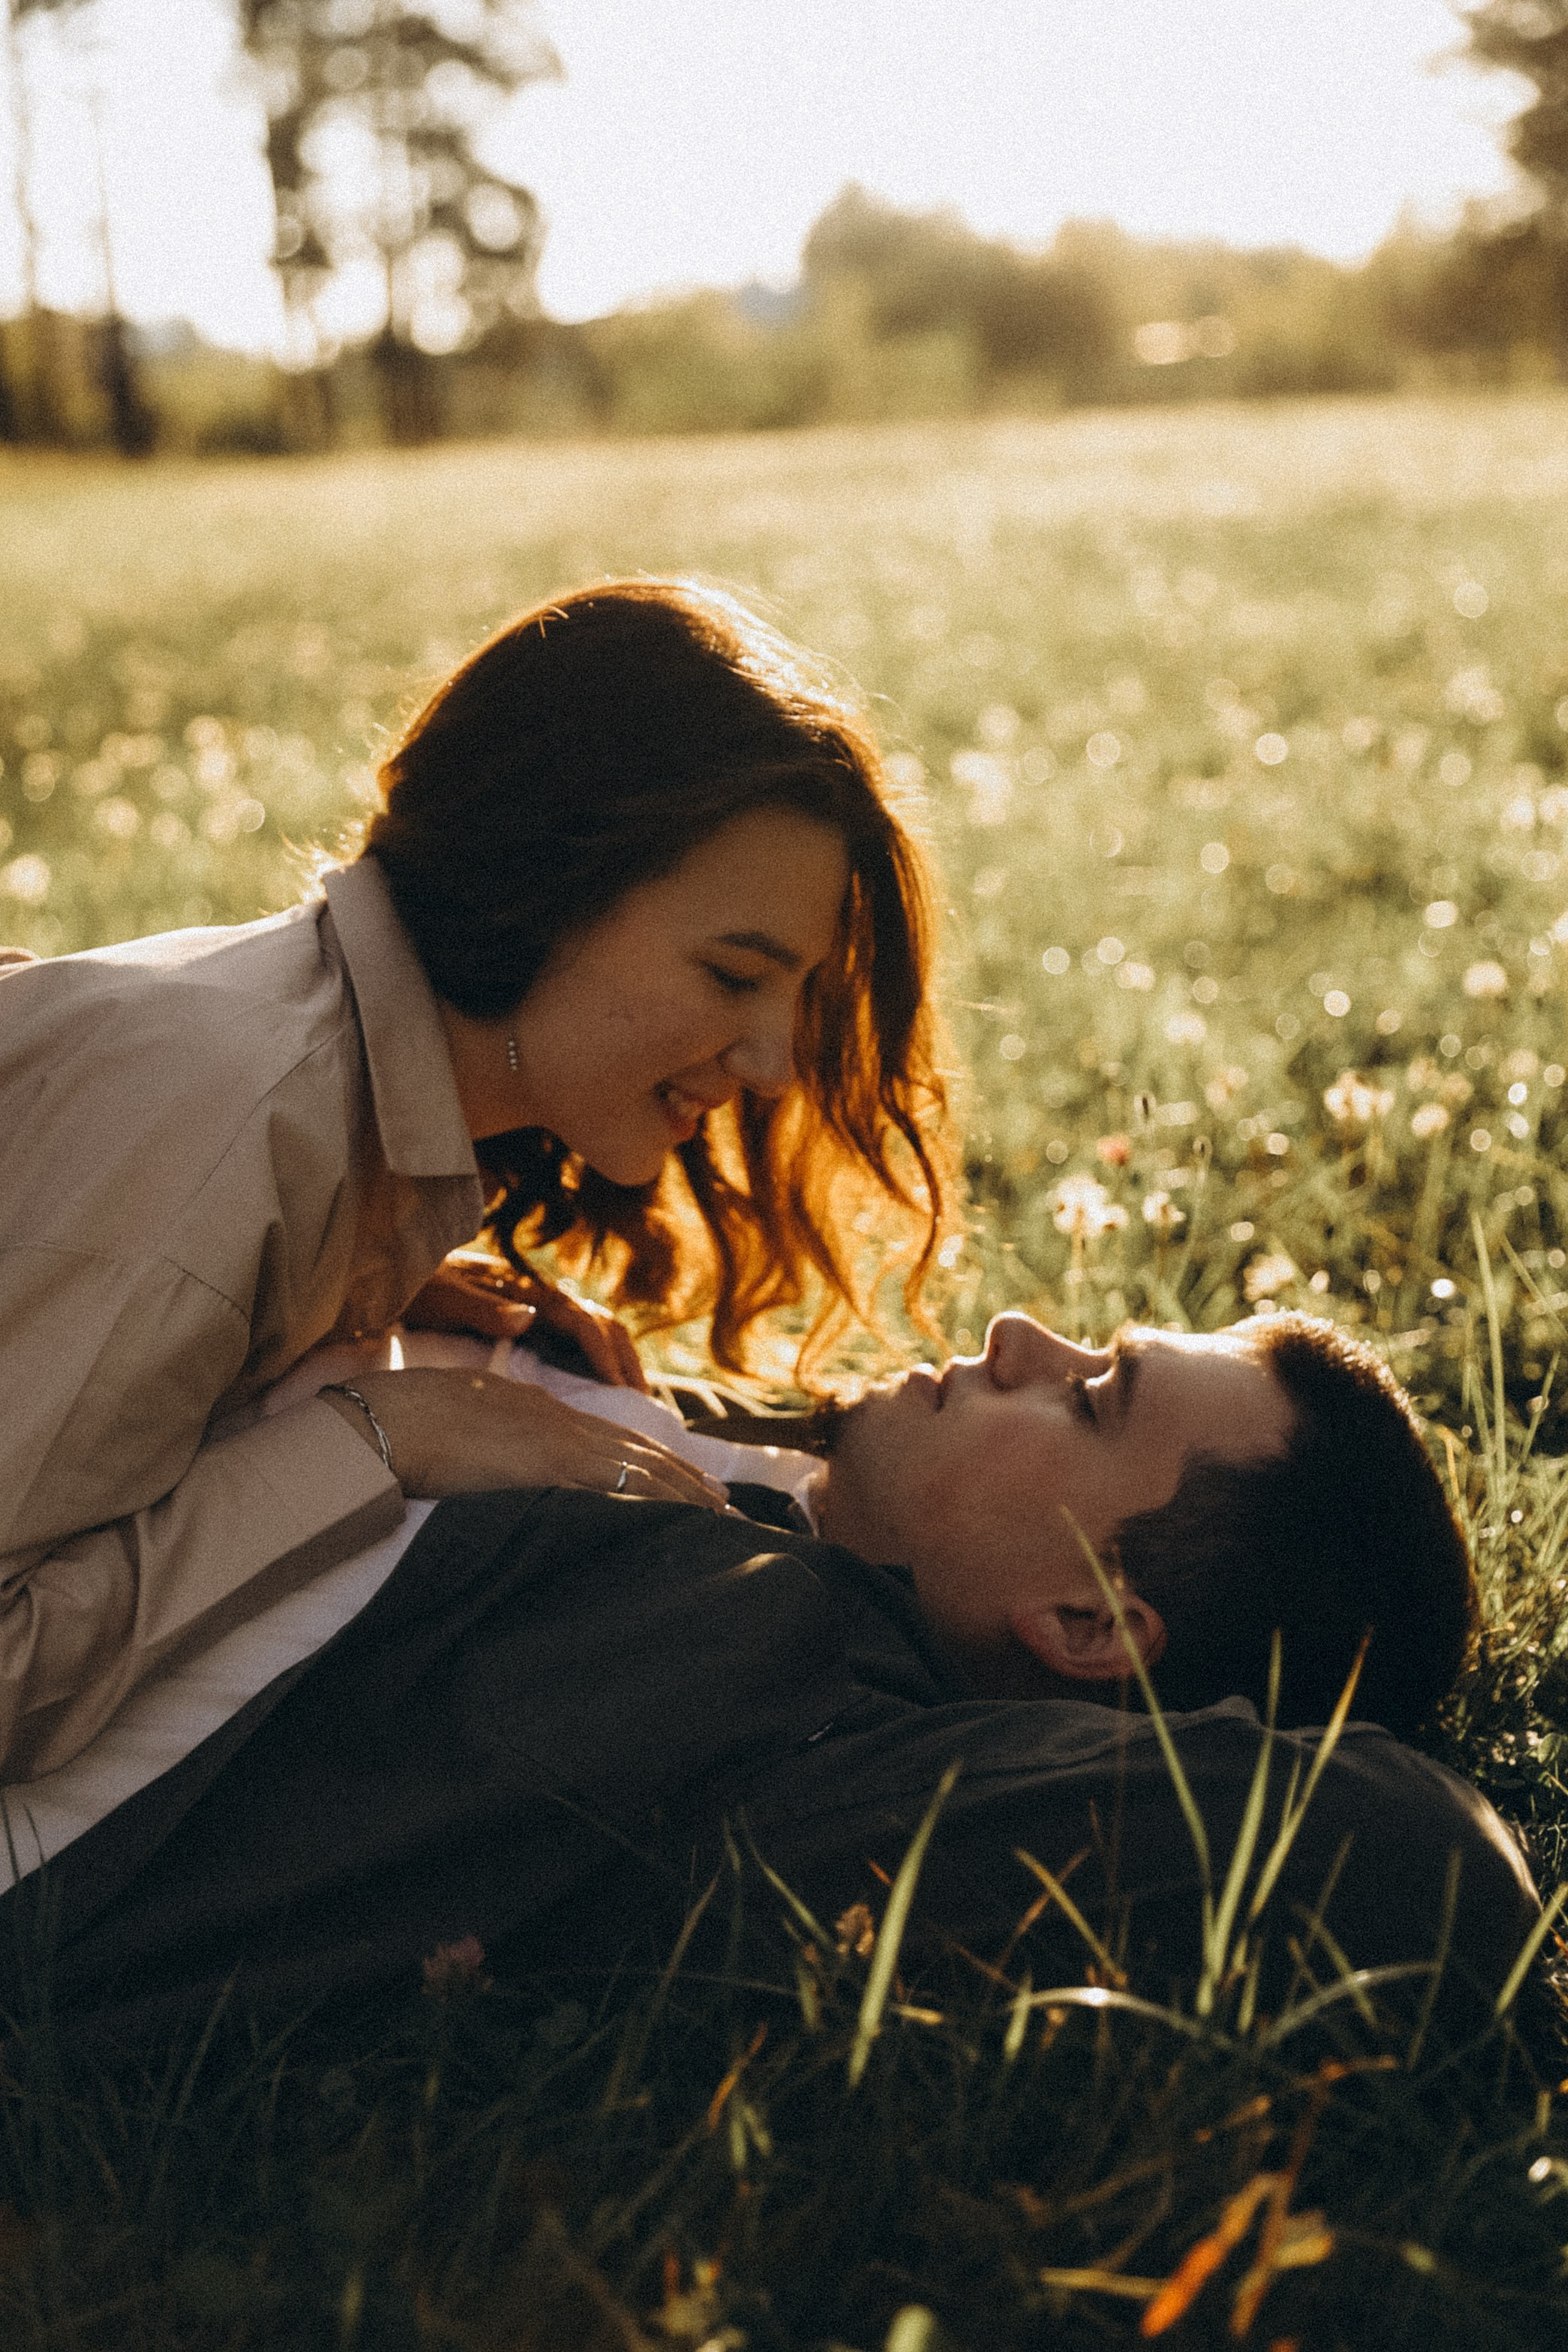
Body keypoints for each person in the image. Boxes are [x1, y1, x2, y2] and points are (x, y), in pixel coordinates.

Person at [0, 580, 953, 1784]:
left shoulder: (316, 1120)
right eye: (731, 976)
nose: (773, 1062)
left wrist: (354, 1274)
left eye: (797, 993)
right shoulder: (224, 1137)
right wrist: (382, 1432)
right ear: (542, 885)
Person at [1, 1307, 1531, 2043]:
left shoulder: (783, 1729)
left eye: (1088, 1398)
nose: (1018, 1333)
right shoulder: (761, 1496)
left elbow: (1407, 1858)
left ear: (1085, 1621)